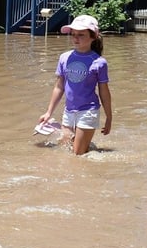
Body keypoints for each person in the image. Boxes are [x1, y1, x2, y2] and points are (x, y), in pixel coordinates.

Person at [38, 14, 113, 155]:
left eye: (81, 35)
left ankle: (87, 148)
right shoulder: (64, 57)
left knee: (77, 155)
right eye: (73, 34)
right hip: (69, 111)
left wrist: (109, 118)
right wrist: (49, 112)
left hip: (88, 111)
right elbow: (59, 87)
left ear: (93, 36)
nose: (75, 38)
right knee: (65, 148)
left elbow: (104, 92)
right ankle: (88, 145)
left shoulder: (99, 62)